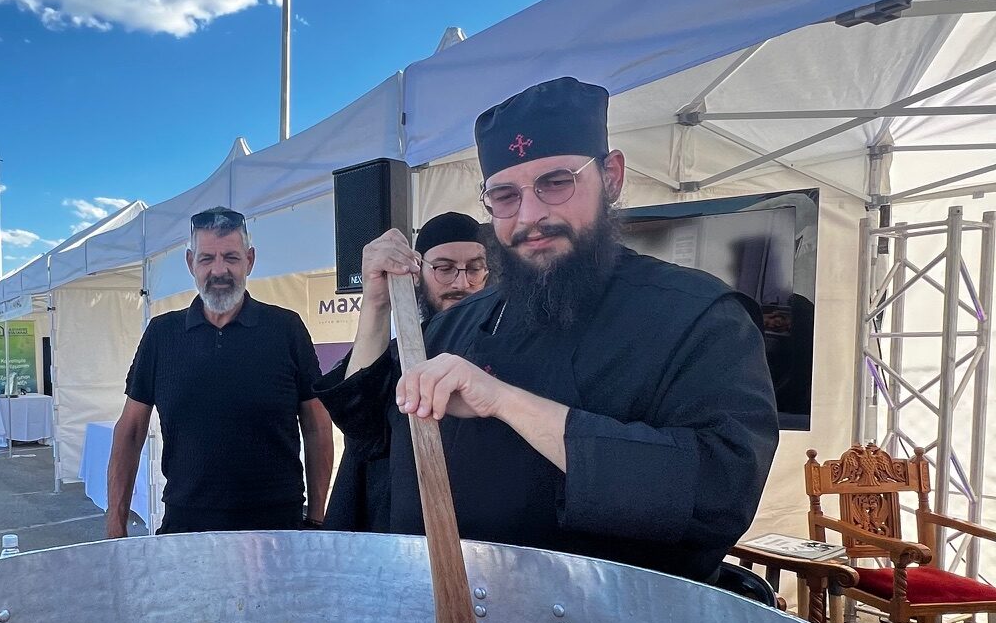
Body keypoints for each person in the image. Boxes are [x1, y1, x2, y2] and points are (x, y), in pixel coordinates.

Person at [317, 78, 778, 581]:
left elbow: (718, 491)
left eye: (556, 183)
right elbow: (370, 436)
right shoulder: (457, 323)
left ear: (612, 177)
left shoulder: (697, 316)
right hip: (440, 609)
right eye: (505, 195)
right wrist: (376, 307)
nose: (531, 215)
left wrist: (504, 401)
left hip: (598, 618)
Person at [106, 206, 334, 537]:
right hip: (186, 528)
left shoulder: (286, 329)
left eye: (231, 257)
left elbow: (316, 426)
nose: (219, 270)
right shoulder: (161, 334)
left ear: (249, 261)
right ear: (190, 263)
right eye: (206, 258)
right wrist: (115, 526)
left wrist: (316, 519)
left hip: (277, 530)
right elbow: (130, 431)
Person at [324, 211, 489, 532]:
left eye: (474, 268)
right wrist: (376, 301)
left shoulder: (505, 346)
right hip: (401, 520)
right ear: (418, 273)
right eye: (444, 268)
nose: (462, 282)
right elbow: (359, 421)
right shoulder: (403, 353)